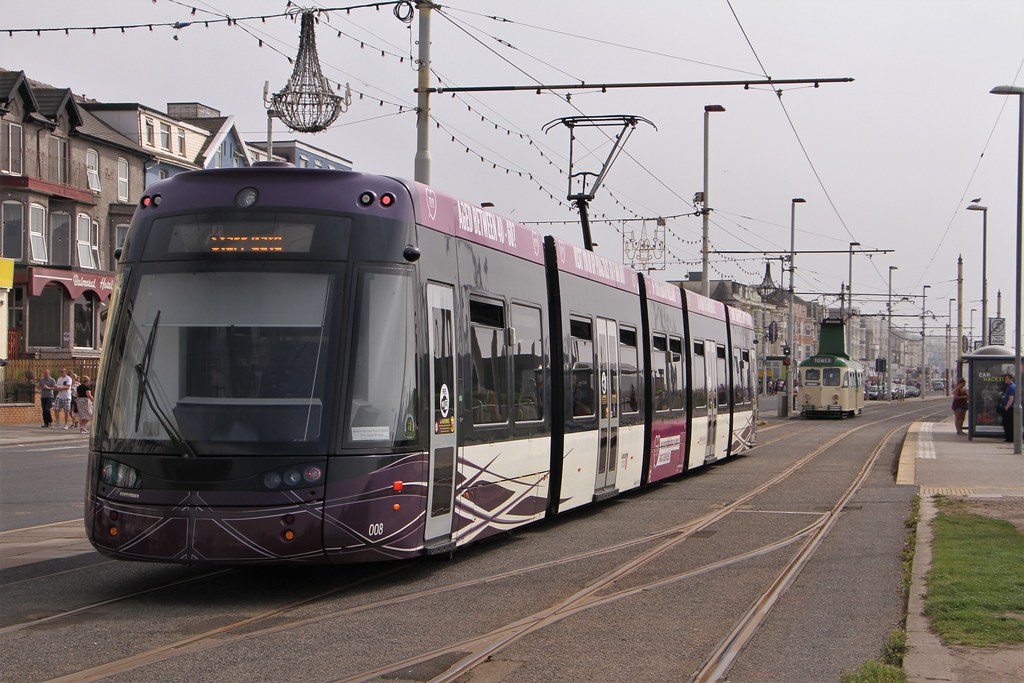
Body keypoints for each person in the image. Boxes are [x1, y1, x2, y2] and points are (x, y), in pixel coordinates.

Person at [999, 372, 1016, 443]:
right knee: (1006, 423)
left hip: (1009, 408)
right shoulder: (1009, 386)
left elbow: (1011, 398)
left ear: (1011, 379)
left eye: (1007, 378)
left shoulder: (1012, 387)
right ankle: (1008, 438)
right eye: (1005, 378)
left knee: (1008, 423)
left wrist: (1006, 407)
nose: (1005, 380)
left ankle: (1010, 438)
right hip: (1008, 407)